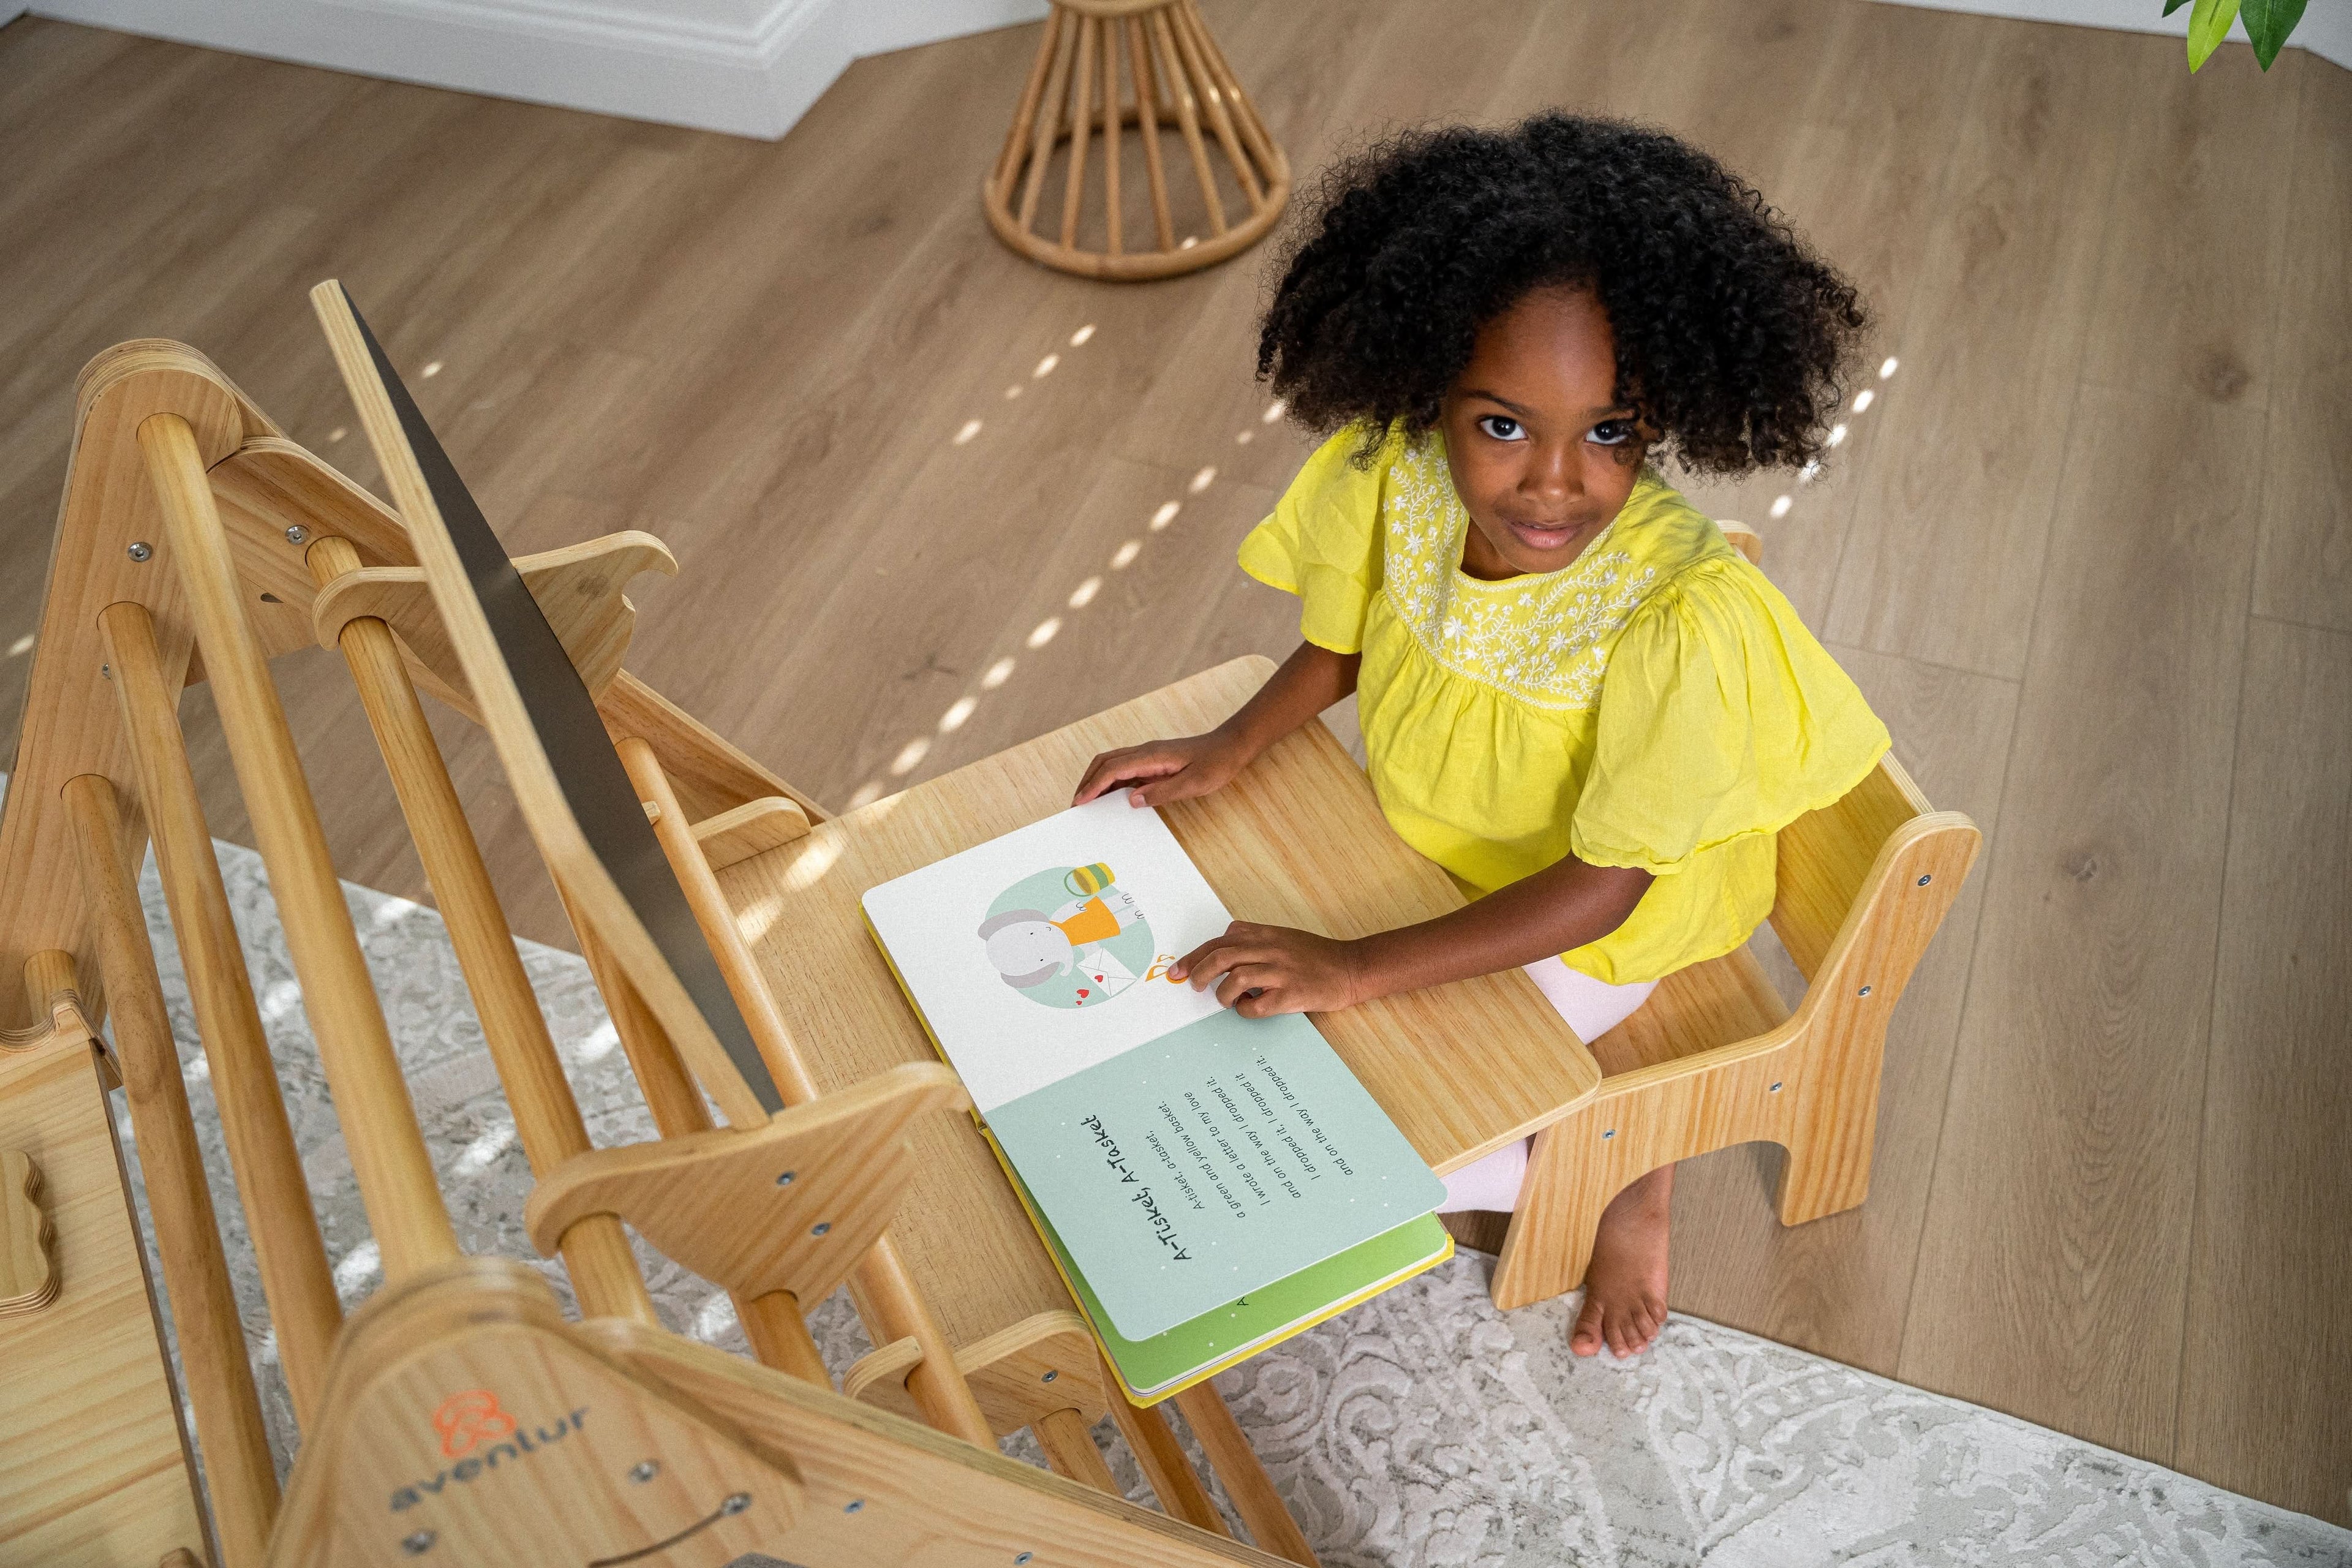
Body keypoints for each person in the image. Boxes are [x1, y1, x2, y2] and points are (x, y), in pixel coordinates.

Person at [1073, 113, 1890, 1359]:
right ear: (1428, 389)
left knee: (1364, 1134)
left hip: (1598, 912)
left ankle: (1628, 1164)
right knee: (1247, 1017)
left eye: (1609, 431)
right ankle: (1576, 1128)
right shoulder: (1390, 473)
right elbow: (1350, 639)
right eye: (1502, 425)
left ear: (1662, 412)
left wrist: (1354, 964)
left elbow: (1610, 886)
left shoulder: (1676, 616)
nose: (1553, 483)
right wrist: (1229, 745)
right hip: (1436, 842)